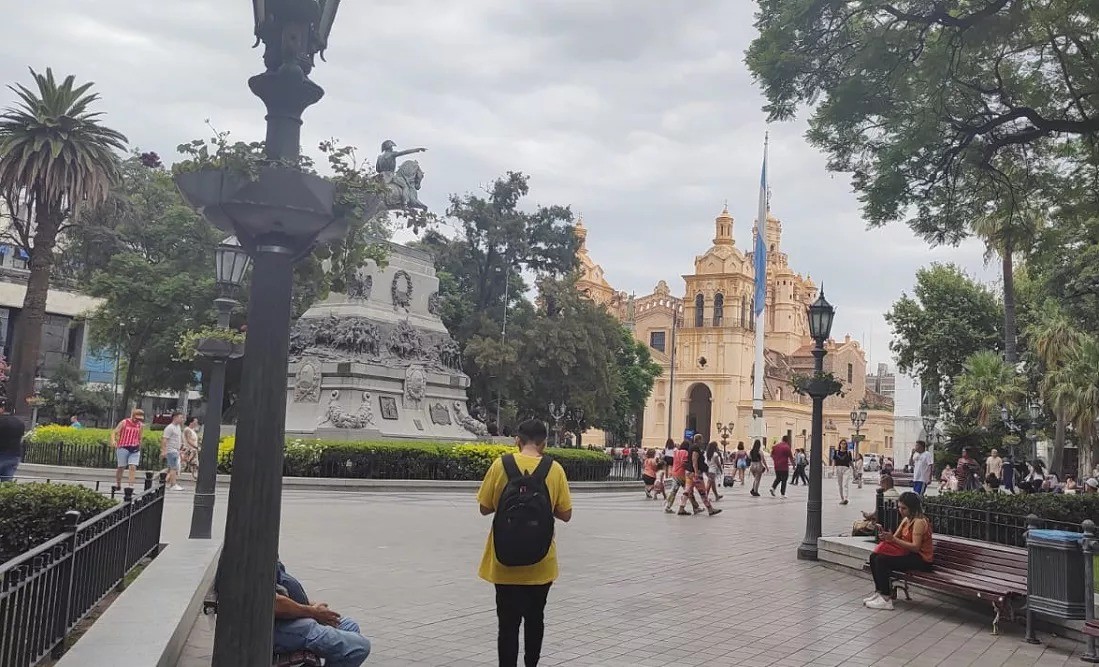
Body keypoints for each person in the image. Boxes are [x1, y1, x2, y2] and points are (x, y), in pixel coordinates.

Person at [477, 419, 572, 667]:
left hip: (503, 561)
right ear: (545, 443)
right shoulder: (555, 469)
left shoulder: (501, 465)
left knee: (507, 625)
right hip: (541, 562)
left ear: (517, 440)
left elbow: (484, 508)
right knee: (535, 619)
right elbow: (566, 514)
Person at [273, 560, 372, 666]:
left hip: (295, 617)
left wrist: (313, 607)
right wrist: (313, 612)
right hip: (278, 625)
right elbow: (274, 603)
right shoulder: (258, 554)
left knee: (349, 625)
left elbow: (285, 591)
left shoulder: (271, 555)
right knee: (358, 647)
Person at [864, 491, 934, 610]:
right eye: (899, 507)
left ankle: (886, 598)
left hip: (921, 559)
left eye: (904, 508)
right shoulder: (906, 520)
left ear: (912, 508)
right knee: (874, 556)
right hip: (909, 555)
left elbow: (916, 547)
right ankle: (880, 591)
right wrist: (886, 537)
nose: (901, 511)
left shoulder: (919, 522)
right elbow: (895, 538)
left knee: (882, 560)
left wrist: (893, 540)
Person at [677, 436, 721, 516]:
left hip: (689, 472)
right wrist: (696, 472)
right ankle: (710, 509)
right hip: (695, 474)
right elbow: (694, 460)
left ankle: (681, 508)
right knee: (702, 492)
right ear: (699, 440)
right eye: (702, 439)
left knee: (687, 491)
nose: (702, 441)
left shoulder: (692, 447)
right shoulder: (695, 448)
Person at [111, 408, 146, 490]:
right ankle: (118, 484)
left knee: (133, 466)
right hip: (123, 447)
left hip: (134, 448)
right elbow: (114, 432)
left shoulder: (140, 425)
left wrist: (139, 446)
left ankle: (131, 486)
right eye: (136, 418)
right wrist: (113, 441)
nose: (138, 420)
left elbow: (140, 437)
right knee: (121, 467)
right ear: (133, 416)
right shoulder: (124, 422)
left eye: (140, 419)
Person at [664, 440, 700, 514]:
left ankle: (668, 506)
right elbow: (684, 462)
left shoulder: (676, 452)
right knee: (688, 491)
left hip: (675, 473)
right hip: (682, 474)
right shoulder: (685, 453)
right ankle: (695, 507)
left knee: (673, 491)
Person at [0, 401, 26, 483]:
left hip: (2, 453)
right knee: (7, 482)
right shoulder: (19, 423)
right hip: (14, 455)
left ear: (2, 409)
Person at [161, 412, 185, 491]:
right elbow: (164, 440)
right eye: (181, 417)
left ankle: (165, 482)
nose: (182, 419)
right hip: (171, 450)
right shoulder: (170, 428)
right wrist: (164, 451)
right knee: (173, 468)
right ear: (175, 417)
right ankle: (173, 484)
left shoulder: (178, 427)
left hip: (176, 450)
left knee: (173, 468)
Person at [834, 439, 853, 505]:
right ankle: (842, 498)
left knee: (845, 483)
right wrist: (833, 469)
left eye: (845, 444)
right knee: (840, 485)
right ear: (840, 444)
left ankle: (845, 498)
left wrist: (854, 470)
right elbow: (834, 461)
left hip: (846, 469)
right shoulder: (836, 452)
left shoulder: (848, 453)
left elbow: (850, 462)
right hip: (838, 468)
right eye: (842, 443)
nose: (843, 445)